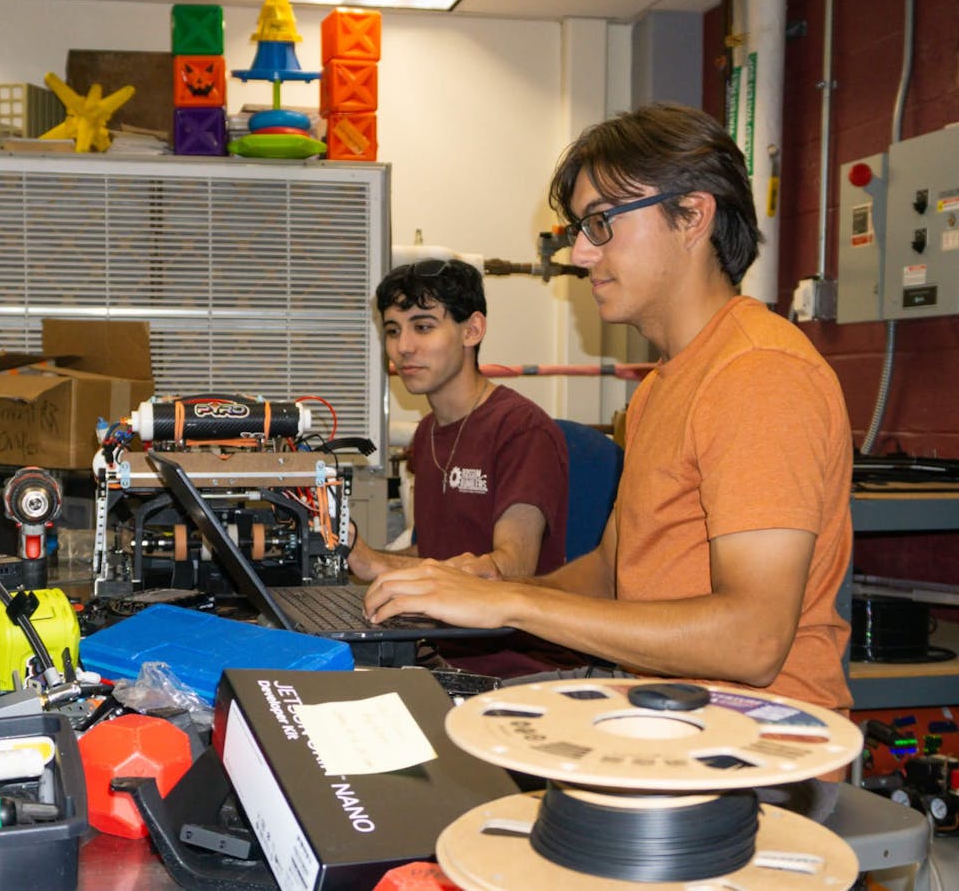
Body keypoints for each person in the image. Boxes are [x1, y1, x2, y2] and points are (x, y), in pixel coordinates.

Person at [364, 104, 853, 722]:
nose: (580, 254)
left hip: (755, 738)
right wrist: (486, 588)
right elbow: (610, 571)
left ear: (692, 215)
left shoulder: (758, 373)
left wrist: (513, 606)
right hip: (664, 710)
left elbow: (752, 641)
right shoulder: (662, 386)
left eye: (600, 223)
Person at [347, 258, 569, 583]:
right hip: (441, 614)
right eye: (393, 331)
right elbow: (433, 556)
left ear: (472, 330)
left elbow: (508, 569)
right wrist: (351, 552)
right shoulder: (427, 432)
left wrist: (377, 564)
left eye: (423, 327)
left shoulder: (522, 430)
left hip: (503, 618)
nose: (403, 347)